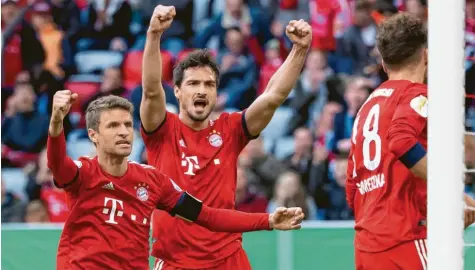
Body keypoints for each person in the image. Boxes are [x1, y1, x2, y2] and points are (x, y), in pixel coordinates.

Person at [47, 91, 305, 269]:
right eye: (113, 126)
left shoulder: (152, 181)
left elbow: (208, 216)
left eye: (127, 125)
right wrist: (57, 122)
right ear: (93, 135)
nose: (124, 132)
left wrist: (268, 220)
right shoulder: (83, 173)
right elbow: (58, 164)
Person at [141, 5, 312, 270]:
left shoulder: (229, 129)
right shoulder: (162, 131)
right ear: (176, 91)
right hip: (177, 262)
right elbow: (151, 92)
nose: (202, 90)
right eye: (193, 84)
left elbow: (272, 98)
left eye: (209, 84)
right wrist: (154, 34)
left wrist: (299, 50)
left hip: (228, 259)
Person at [345, 13, 475, 270]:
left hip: (367, 246)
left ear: (382, 62)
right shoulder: (416, 95)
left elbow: (353, 186)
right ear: (426, 55)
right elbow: (401, 142)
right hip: (405, 241)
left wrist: (463, 203)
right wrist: (449, 195)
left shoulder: (367, 107)